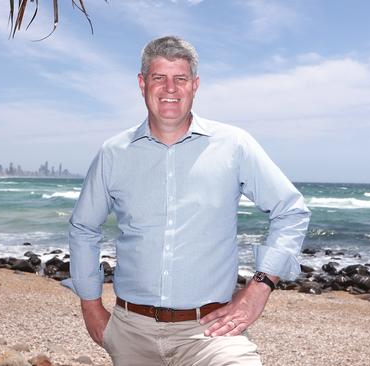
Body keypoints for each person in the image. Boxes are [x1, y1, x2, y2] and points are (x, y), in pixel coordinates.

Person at [63, 35, 310, 365]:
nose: (170, 88)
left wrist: (259, 287)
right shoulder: (113, 154)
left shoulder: (234, 145)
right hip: (130, 331)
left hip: (209, 333)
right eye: (159, 78)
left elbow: (290, 210)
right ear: (142, 84)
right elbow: (83, 228)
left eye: (180, 79)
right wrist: (90, 305)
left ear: (195, 85)